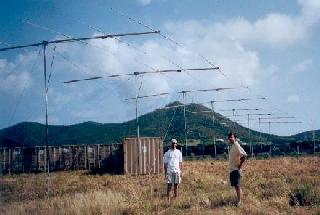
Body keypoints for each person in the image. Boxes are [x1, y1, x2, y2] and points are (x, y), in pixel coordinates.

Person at [228, 132, 247, 207]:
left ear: (235, 138)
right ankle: (239, 199)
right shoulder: (233, 146)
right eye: (229, 137)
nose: (230, 138)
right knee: (236, 186)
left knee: (237, 185)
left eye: (231, 137)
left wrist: (240, 165)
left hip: (235, 169)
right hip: (232, 169)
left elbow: (244, 155)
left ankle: (239, 201)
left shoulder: (236, 145)